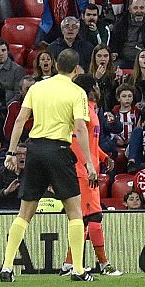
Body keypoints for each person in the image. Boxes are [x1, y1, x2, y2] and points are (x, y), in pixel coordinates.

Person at [0, 49, 98, 282]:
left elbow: (21, 120)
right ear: (76, 70)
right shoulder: (77, 92)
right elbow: (81, 128)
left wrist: (11, 152)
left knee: (24, 213)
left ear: (54, 64)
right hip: (59, 151)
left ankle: (6, 266)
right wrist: (90, 163)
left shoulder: (37, 87)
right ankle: (78, 270)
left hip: (34, 150)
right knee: (75, 211)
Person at [58, 74, 122, 276]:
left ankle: (69, 264)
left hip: (91, 168)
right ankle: (104, 264)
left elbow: (90, 142)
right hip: (83, 172)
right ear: (90, 89)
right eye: (96, 85)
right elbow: (75, 143)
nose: (99, 89)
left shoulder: (92, 108)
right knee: (93, 217)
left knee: (85, 219)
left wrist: (102, 157)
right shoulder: (81, 111)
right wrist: (86, 165)